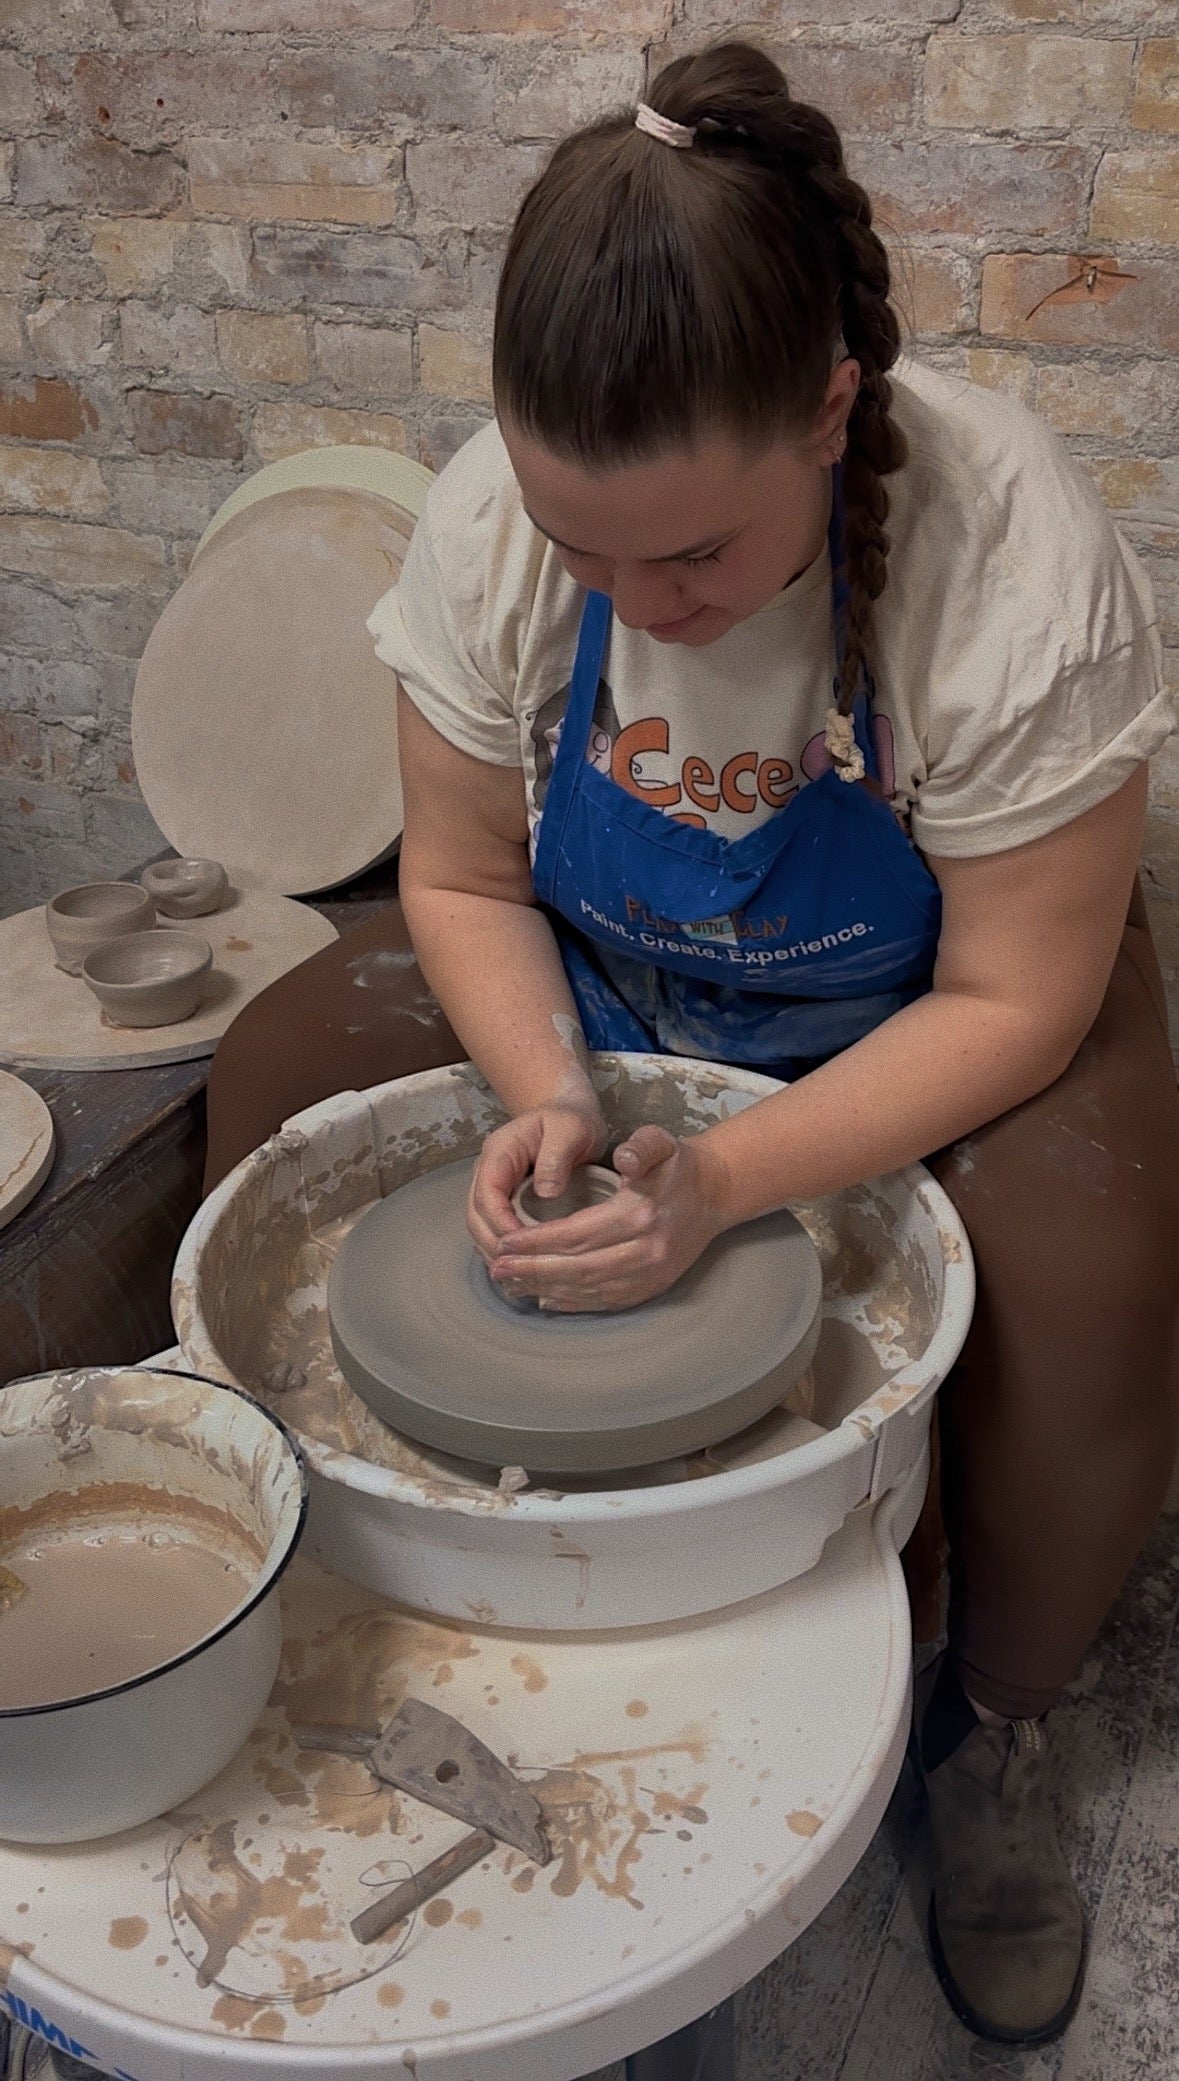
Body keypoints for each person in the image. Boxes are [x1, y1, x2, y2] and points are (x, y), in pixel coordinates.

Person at [204, 43, 1179, 2047]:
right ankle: (345, 1582)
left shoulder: (1006, 559)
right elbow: (460, 874)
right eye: (586, 555)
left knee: (1087, 1257)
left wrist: (727, 1174)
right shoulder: (497, 522)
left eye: (695, 561)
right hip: (614, 960)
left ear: (828, 411)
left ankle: (999, 1725)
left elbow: (1017, 996)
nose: (635, 603)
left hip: (937, 997)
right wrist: (552, 1089)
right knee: (284, 1068)